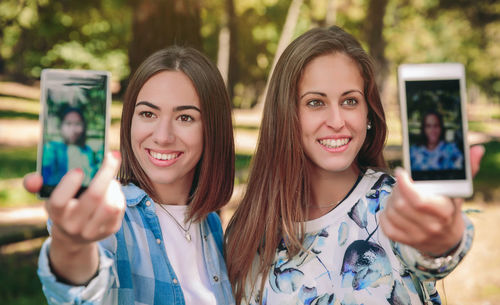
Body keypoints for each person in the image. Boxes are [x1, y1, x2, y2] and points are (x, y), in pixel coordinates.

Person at [225, 26, 483, 305]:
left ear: (368, 114)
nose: (337, 121)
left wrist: (445, 238)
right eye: (315, 102)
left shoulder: (391, 202)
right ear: (287, 116)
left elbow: (434, 253)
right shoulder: (248, 233)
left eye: (350, 101)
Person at [25, 46, 236, 305]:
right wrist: (73, 246)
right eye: (148, 114)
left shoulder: (212, 225)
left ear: (213, 129)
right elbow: (86, 294)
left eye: (185, 117)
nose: (162, 136)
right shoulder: (110, 216)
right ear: (130, 120)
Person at [42, 107, 99, 187]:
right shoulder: (52, 149)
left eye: (78, 124)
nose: (73, 129)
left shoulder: (88, 151)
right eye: (68, 124)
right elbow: (47, 177)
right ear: (60, 126)